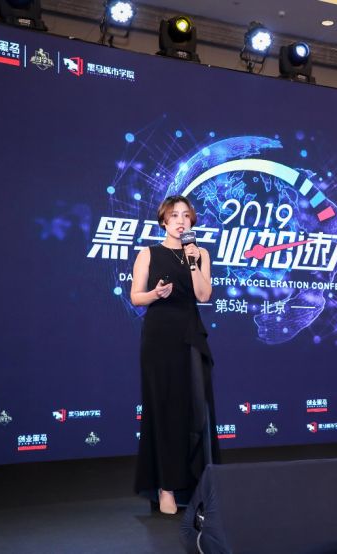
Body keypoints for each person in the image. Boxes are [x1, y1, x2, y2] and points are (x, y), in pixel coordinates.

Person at [131, 195, 219, 515]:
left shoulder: (200, 253)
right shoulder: (148, 254)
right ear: (163, 221)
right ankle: (165, 487)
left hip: (190, 335)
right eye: (174, 215)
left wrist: (193, 262)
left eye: (185, 215)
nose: (181, 221)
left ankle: (197, 486)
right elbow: (136, 297)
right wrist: (155, 293)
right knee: (164, 409)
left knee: (194, 408)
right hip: (159, 338)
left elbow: (204, 295)